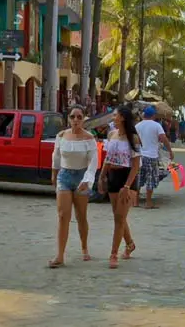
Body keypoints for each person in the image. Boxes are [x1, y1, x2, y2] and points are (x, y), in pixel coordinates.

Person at [49, 106, 98, 268]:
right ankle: (60, 255)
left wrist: (88, 179)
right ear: (68, 118)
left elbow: (93, 162)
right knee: (63, 215)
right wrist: (54, 174)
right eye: (72, 117)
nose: (76, 120)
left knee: (81, 215)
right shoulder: (61, 136)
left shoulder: (89, 138)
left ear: (84, 118)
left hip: (81, 177)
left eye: (79, 117)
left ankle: (84, 247)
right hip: (64, 176)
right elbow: (56, 156)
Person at [99, 106, 141, 267]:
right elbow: (108, 159)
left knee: (119, 218)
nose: (112, 118)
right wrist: (102, 177)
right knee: (118, 216)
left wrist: (127, 185)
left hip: (127, 177)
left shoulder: (133, 139)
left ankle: (113, 254)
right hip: (113, 177)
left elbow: (136, 166)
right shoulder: (111, 135)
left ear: (122, 117)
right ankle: (130, 243)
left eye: (115, 115)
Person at [135, 106, 175, 209]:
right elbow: (164, 138)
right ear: (153, 115)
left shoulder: (138, 125)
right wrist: (170, 151)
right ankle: (148, 203)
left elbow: (136, 140)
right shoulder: (156, 125)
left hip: (140, 155)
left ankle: (136, 202)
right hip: (152, 155)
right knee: (150, 178)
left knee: (139, 178)